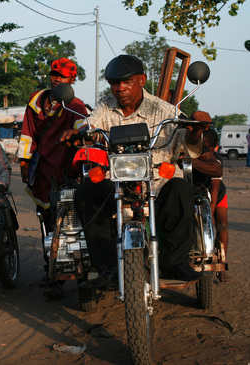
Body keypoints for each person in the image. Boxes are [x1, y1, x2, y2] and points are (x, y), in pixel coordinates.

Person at [60, 55, 217, 288]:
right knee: (87, 191)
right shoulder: (105, 105)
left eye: (127, 82)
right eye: (114, 83)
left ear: (142, 80)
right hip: (117, 181)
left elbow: (188, 143)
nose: (119, 88)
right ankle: (107, 267)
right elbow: (91, 125)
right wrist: (80, 132)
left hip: (157, 181)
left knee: (181, 187)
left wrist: (197, 130)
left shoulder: (164, 110)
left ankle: (175, 262)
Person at [17, 58, 88, 298]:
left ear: (71, 80)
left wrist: (77, 133)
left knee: (72, 223)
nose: (57, 79)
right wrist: (24, 162)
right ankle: (53, 271)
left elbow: (83, 128)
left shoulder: (76, 106)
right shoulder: (37, 101)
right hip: (43, 171)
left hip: (68, 172)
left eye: (63, 76)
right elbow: (27, 133)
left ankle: (78, 272)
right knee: (47, 223)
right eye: (54, 75)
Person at [201, 128, 230, 282]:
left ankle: (221, 263)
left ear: (212, 149)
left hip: (216, 194)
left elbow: (215, 188)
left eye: (203, 146)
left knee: (222, 224)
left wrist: (210, 215)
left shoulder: (216, 161)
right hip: (198, 192)